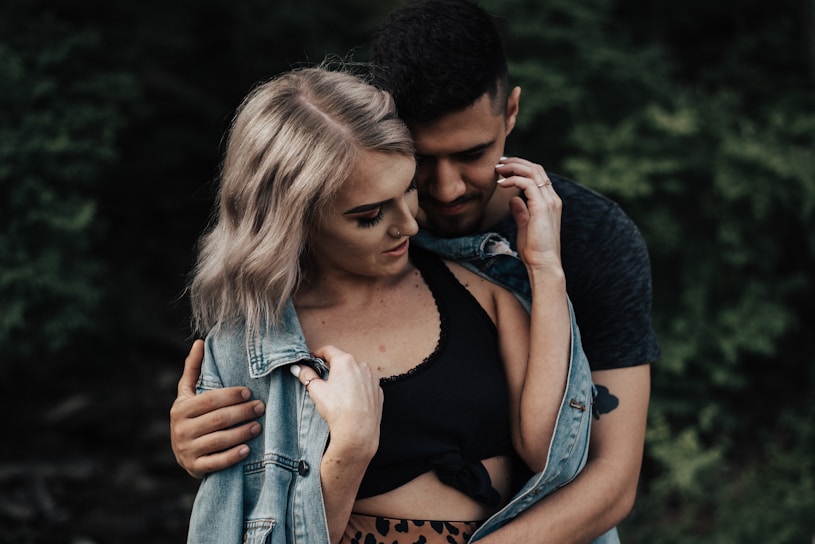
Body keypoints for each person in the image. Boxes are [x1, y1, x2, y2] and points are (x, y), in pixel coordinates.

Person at [172, 1, 659, 542]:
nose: (441, 193)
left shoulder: (581, 241)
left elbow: (602, 476)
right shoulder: (261, 332)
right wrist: (201, 445)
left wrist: (545, 267)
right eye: (420, 165)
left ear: (512, 113)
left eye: (473, 153)